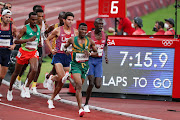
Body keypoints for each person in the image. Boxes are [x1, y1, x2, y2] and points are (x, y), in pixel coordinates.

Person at [45, 12, 78, 107]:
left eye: (72, 20)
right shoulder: (58, 30)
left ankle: (51, 98)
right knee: (62, 76)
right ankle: (52, 78)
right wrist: (51, 49)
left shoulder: (75, 32)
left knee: (62, 80)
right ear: (64, 20)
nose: (70, 21)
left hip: (67, 57)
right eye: (69, 19)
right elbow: (47, 39)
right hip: (58, 56)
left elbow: (76, 44)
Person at [64, 23, 97, 117]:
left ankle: (68, 78)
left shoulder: (90, 41)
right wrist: (66, 51)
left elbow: (96, 52)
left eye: (85, 30)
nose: (83, 32)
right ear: (78, 30)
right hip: (75, 65)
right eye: (82, 29)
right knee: (78, 85)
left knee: (78, 86)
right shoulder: (72, 40)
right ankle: (80, 108)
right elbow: (65, 47)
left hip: (85, 66)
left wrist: (90, 53)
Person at [7, 12, 40, 101]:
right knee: (16, 72)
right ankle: (10, 89)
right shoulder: (25, 28)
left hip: (33, 52)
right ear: (29, 20)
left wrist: (38, 42)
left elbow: (37, 38)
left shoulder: (38, 28)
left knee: (34, 69)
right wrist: (28, 40)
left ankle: (25, 86)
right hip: (23, 52)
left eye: (35, 20)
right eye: (32, 20)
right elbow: (16, 41)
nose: (34, 21)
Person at [83, 18, 108, 113]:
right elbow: (84, 46)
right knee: (92, 83)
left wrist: (105, 55)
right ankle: (86, 104)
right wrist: (89, 52)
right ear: (95, 25)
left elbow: (105, 45)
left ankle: (91, 81)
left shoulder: (105, 35)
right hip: (90, 60)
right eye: (99, 24)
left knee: (97, 85)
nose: (101, 26)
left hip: (98, 61)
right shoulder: (89, 34)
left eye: (102, 24)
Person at [43, 11, 66, 90]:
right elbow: (45, 33)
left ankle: (48, 76)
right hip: (55, 51)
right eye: (61, 18)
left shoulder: (67, 29)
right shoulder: (54, 27)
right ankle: (55, 90)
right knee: (58, 70)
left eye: (64, 18)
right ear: (58, 18)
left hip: (63, 52)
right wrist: (49, 45)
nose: (63, 20)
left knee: (56, 69)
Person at [0, 9, 17, 98]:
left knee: (2, 76)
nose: (8, 19)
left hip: (7, 52)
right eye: (6, 17)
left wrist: (14, 45)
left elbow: (17, 38)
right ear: (2, 17)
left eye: (9, 17)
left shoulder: (13, 27)